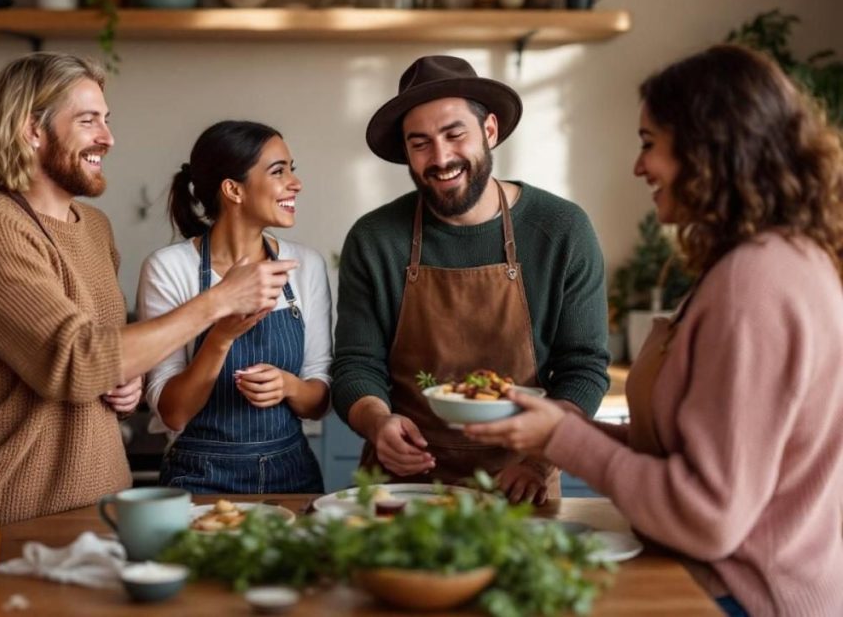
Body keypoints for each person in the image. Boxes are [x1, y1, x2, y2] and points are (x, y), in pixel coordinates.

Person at [467, 44, 843, 617]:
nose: (639, 167)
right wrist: (569, 426)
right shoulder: (773, 260)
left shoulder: (755, 282)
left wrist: (564, 441)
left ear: (708, 146)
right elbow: (695, 456)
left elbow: (709, 517)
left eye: (649, 144)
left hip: (745, 597)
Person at [0, 55, 296, 525]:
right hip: (21, 509)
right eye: (88, 121)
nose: (107, 138)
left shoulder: (92, 227)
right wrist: (219, 299)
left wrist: (126, 380)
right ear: (32, 130)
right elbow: (77, 361)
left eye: (106, 121)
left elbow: (105, 356)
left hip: (106, 499)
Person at [331, 55, 610, 504]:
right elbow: (356, 365)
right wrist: (377, 423)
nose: (440, 158)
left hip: (521, 484)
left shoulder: (561, 229)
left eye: (454, 134)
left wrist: (539, 458)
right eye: (419, 143)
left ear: (490, 131)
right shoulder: (375, 238)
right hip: (402, 488)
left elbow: (583, 368)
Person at [137, 120, 330, 494]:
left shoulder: (305, 265)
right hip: (199, 478)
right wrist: (220, 337)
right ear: (233, 190)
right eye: (279, 171)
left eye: (292, 169)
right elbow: (173, 413)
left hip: (292, 474)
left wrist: (289, 386)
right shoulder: (170, 268)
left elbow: (319, 398)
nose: (296, 183)